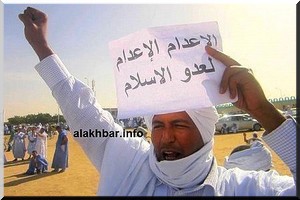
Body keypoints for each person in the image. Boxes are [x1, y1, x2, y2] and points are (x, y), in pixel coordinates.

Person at [19, 7, 296, 196]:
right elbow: (80, 108)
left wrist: (266, 113)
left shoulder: (244, 188)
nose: (166, 137)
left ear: (205, 130)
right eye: (159, 125)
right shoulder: (126, 161)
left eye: (179, 124)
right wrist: (40, 46)